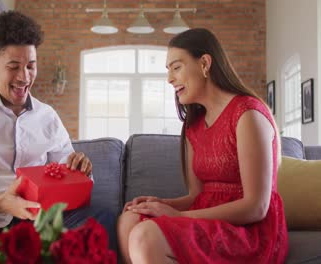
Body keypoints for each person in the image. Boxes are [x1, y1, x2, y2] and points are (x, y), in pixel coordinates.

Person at [0, 10, 116, 251]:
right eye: (14, 66)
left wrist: (79, 171)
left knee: (101, 218)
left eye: (30, 66)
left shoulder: (47, 116)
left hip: (38, 222)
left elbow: (68, 179)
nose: (24, 76)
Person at [117, 28, 288, 263]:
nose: (169, 79)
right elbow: (198, 195)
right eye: (168, 71)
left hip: (247, 230)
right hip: (203, 218)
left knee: (145, 236)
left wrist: (178, 215)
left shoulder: (247, 114)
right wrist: (159, 204)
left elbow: (256, 207)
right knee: (130, 218)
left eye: (176, 67)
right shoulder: (193, 125)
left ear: (205, 63)